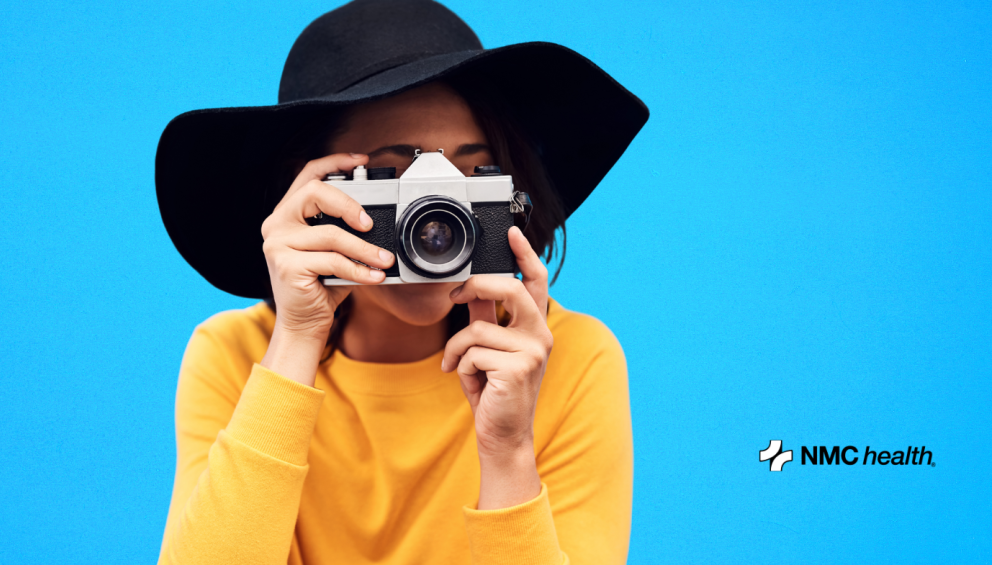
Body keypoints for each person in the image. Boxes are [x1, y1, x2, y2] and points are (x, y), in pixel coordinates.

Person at [153, 1, 648, 563]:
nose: (435, 215)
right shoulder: (236, 356)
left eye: (472, 172)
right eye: (390, 174)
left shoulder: (570, 360)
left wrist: (509, 451)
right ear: (312, 195)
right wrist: (294, 341)